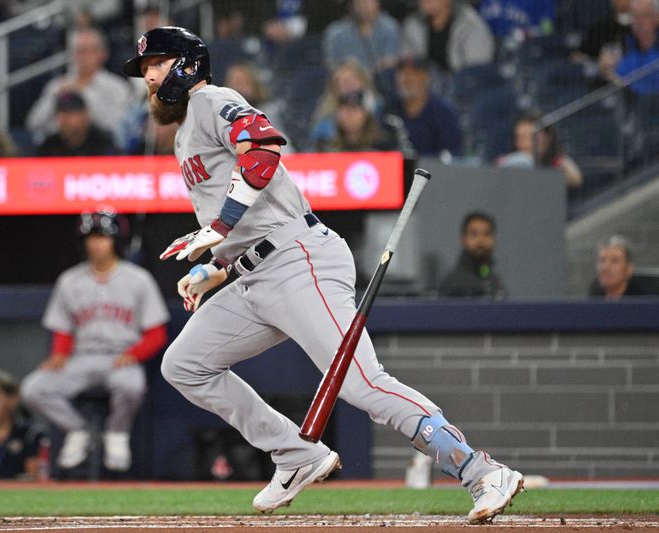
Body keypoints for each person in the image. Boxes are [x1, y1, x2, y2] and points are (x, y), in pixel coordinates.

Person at [122, 26, 523, 524]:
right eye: (144, 70)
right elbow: (248, 219)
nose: (148, 78)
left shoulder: (211, 101)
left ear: (185, 66)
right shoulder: (185, 132)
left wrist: (218, 227)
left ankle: (480, 471)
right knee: (183, 363)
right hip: (254, 275)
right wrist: (216, 265)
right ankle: (296, 454)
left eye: (156, 65)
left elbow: (264, 150)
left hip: (297, 259)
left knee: (361, 385)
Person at [21, 207, 169, 473]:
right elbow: (64, 331)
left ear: (115, 240)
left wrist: (135, 354)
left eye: (102, 237)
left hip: (122, 357)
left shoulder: (138, 280)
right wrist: (58, 356)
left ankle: (116, 434)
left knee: (132, 386)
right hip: (82, 357)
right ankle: (78, 431)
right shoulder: (69, 281)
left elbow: (157, 334)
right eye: (91, 237)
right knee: (33, 388)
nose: (96, 243)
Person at [26, 27, 141, 144]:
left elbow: (118, 126)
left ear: (102, 54)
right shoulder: (58, 84)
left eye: (88, 51)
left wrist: (84, 93)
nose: (83, 57)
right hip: (63, 150)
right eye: (79, 51)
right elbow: (33, 123)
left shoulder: (117, 87)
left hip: (101, 150)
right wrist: (54, 99)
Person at [385, 56, 463, 157]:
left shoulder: (443, 111)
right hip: (393, 170)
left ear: (426, 77)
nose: (406, 78)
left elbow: (452, 153)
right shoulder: (388, 109)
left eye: (413, 73)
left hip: (432, 171)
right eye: (401, 72)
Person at [402, 0, 495, 72]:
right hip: (425, 90)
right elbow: (407, 65)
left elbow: (476, 74)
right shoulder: (412, 24)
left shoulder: (471, 26)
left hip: (462, 91)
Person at [497, 111, 584, 188]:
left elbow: (576, 180)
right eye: (520, 137)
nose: (526, 144)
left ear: (547, 137)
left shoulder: (559, 162)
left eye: (532, 137)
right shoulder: (507, 162)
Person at [438, 211, 507, 299]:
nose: (481, 240)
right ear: (463, 239)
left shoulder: (496, 283)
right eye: (474, 234)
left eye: (487, 234)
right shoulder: (452, 283)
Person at [322, 0, 402, 76]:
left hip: (381, 81)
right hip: (347, 83)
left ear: (378, 3)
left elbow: (391, 61)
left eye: (368, 1)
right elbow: (330, 64)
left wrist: (366, 76)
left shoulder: (390, 27)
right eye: (359, 2)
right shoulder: (335, 32)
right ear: (351, 5)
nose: (364, 5)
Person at [37, 91, 117, 157]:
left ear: (85, 115)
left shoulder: (102, 143)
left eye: (69, 113)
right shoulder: (50, 146)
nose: (64, 119)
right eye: (60, 114)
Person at [314, 90, 393, 152]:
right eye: (344, 109)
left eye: (355, 108)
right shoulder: (324, 147)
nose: (349, 113)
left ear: (366, 114)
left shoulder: (384, 147)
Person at [609, 0, 659, 94]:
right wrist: (608, 70)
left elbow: (652, 93)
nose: (639, 21)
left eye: (645, 15)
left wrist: (616, 78)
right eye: (635, 16)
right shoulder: (626, 44)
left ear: (656, 18)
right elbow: (620, 73)